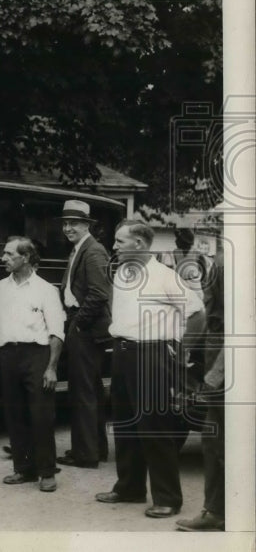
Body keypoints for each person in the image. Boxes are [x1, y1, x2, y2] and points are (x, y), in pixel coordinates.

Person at [95, 220, 204, 519]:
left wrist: (182, 350)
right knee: (125, 424)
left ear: (139, 244)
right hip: (123, 352)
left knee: (155, 427)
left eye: (120, 241)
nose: (114, 246)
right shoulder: (122, 274)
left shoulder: (166, 276)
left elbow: (196, 314)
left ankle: (168, 498)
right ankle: (129, 488)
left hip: (153, 355)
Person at [0, 236, 65, 492]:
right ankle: (23, 469)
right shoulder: (1, 287)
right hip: (8, 355)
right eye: (4, 254)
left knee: (41, 415)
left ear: (26, 257)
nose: (3, 259)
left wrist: (51, 367)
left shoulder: (46, 290)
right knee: (14, 413)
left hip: (37, 355)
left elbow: (56, 333)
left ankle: (47, 472)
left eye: (9, 254)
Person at [55, 200, 111, 469]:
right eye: (65, 223)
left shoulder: (93, 251)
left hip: (85, 330)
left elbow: (99, 294)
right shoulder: (81, 249)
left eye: (74, 223)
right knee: (91, 390)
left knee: (83, 391)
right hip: (82, 326)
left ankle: (86, 454)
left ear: (87, 225)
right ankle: (94, 449)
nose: (68, 228)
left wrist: (78, 324)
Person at [177, 238, 226, 532]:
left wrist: (214, 374)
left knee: (218, 441)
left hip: (226, 369)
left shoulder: (226, 264)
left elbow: (239, 326)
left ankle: (217, 512)